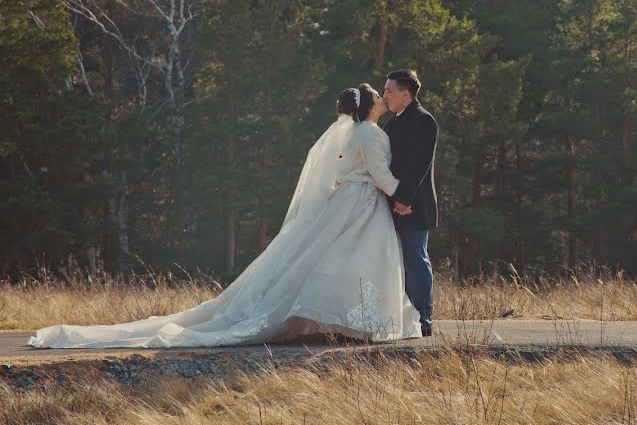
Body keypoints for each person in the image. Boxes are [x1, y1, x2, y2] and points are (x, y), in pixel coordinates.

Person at [28, 84, 422, 349]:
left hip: (346, 203)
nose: (383, 99)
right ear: (368, 106)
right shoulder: (371, 135)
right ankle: (357, 321)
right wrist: (402, 198)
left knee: (329, 260)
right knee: (358, 260)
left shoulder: (349, 135)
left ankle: (339, 319)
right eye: (379, 96)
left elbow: (340, 173)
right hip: (362, 205)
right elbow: (381, 175)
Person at [382, 70, 438, 337]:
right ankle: (404, 319)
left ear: (406, 94)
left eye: (390, 91)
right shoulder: (392, 123)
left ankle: (423, 319)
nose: (385, 96)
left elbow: (419, 166)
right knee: (397, 263)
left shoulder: (425, 121)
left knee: (416, 259)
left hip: (415, 205)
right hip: (392, 205)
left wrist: (404, 199)